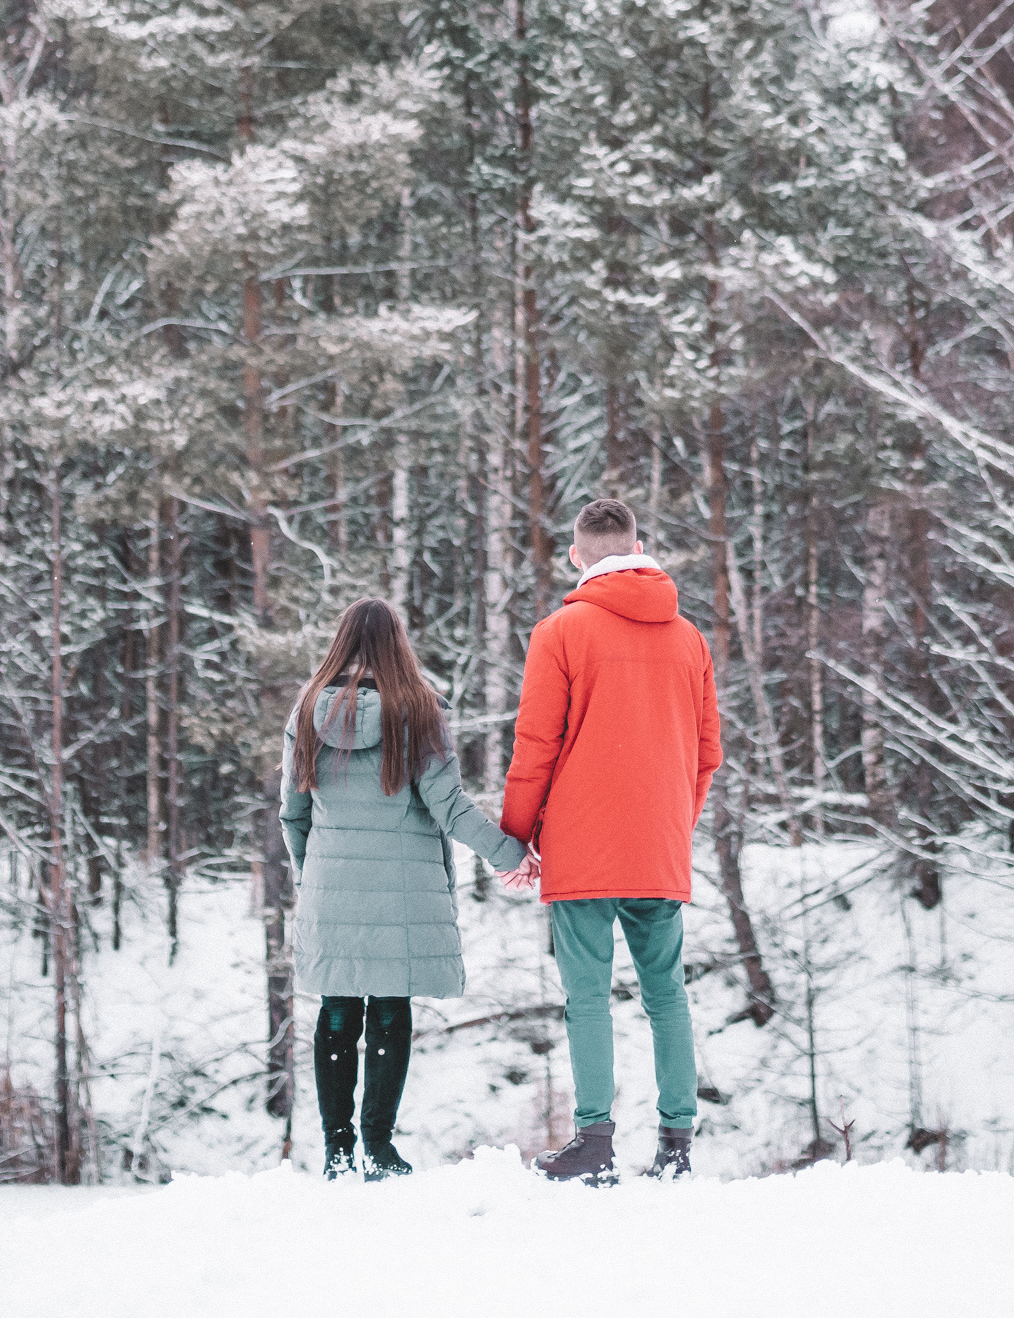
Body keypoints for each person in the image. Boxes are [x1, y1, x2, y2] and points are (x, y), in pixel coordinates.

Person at [500, 496, 721, 1184]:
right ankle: (676, 1146)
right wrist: (671, 826)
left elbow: (536, 744)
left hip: (582, 842)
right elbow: (708, 753)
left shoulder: (560, 632)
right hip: (658, 843)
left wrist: (517, 837)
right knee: (668, 997)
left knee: (588, 997)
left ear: (577, 556)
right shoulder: (689, 639)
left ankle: (594, 1143)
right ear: (639, 547)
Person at [281, 596, 532, 1179]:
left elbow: (293, 813)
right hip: (403, 891)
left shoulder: (308, 711)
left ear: (341, 641)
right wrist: (512, 854)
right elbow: (450, 807)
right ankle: (379, 1147)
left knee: (337, 1010)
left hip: (330, 885)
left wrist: (309, 879)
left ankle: (337, 1151)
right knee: (391, 1010)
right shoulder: (419, 711)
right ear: (399, 644)